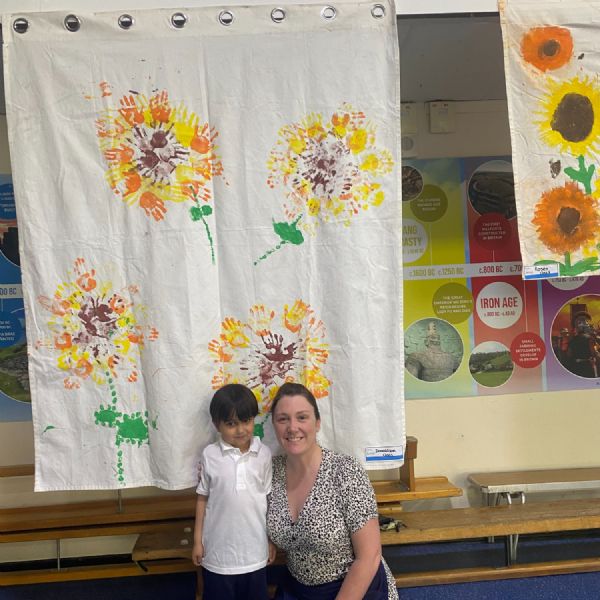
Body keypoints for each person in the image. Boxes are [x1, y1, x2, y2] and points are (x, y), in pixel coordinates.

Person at [267, 382, 398, 600]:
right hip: (298, 589)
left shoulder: (346, 471)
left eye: (302, 417)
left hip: (355, 588)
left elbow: (369, 557)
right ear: (274, 425)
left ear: (317, 423)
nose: (292, 427)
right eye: (283, 419)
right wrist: (268, 538)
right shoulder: (270, 472)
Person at [192, 383, 275, 600]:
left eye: (246, 421)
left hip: (255, 554)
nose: (240, 430)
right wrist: (197, 541)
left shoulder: (264, 454)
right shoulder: (210, 455)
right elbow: (202, 499)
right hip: (218, 556)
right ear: (216, 425)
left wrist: (270, 540)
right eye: (231, 423)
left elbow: (268, 501)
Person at [567, 311, 599, 378]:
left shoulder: (572, 340)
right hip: (587, 368)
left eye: (585, 321)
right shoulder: (590, 339)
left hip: (575, 368)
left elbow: (569, 355)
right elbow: (594, 353)